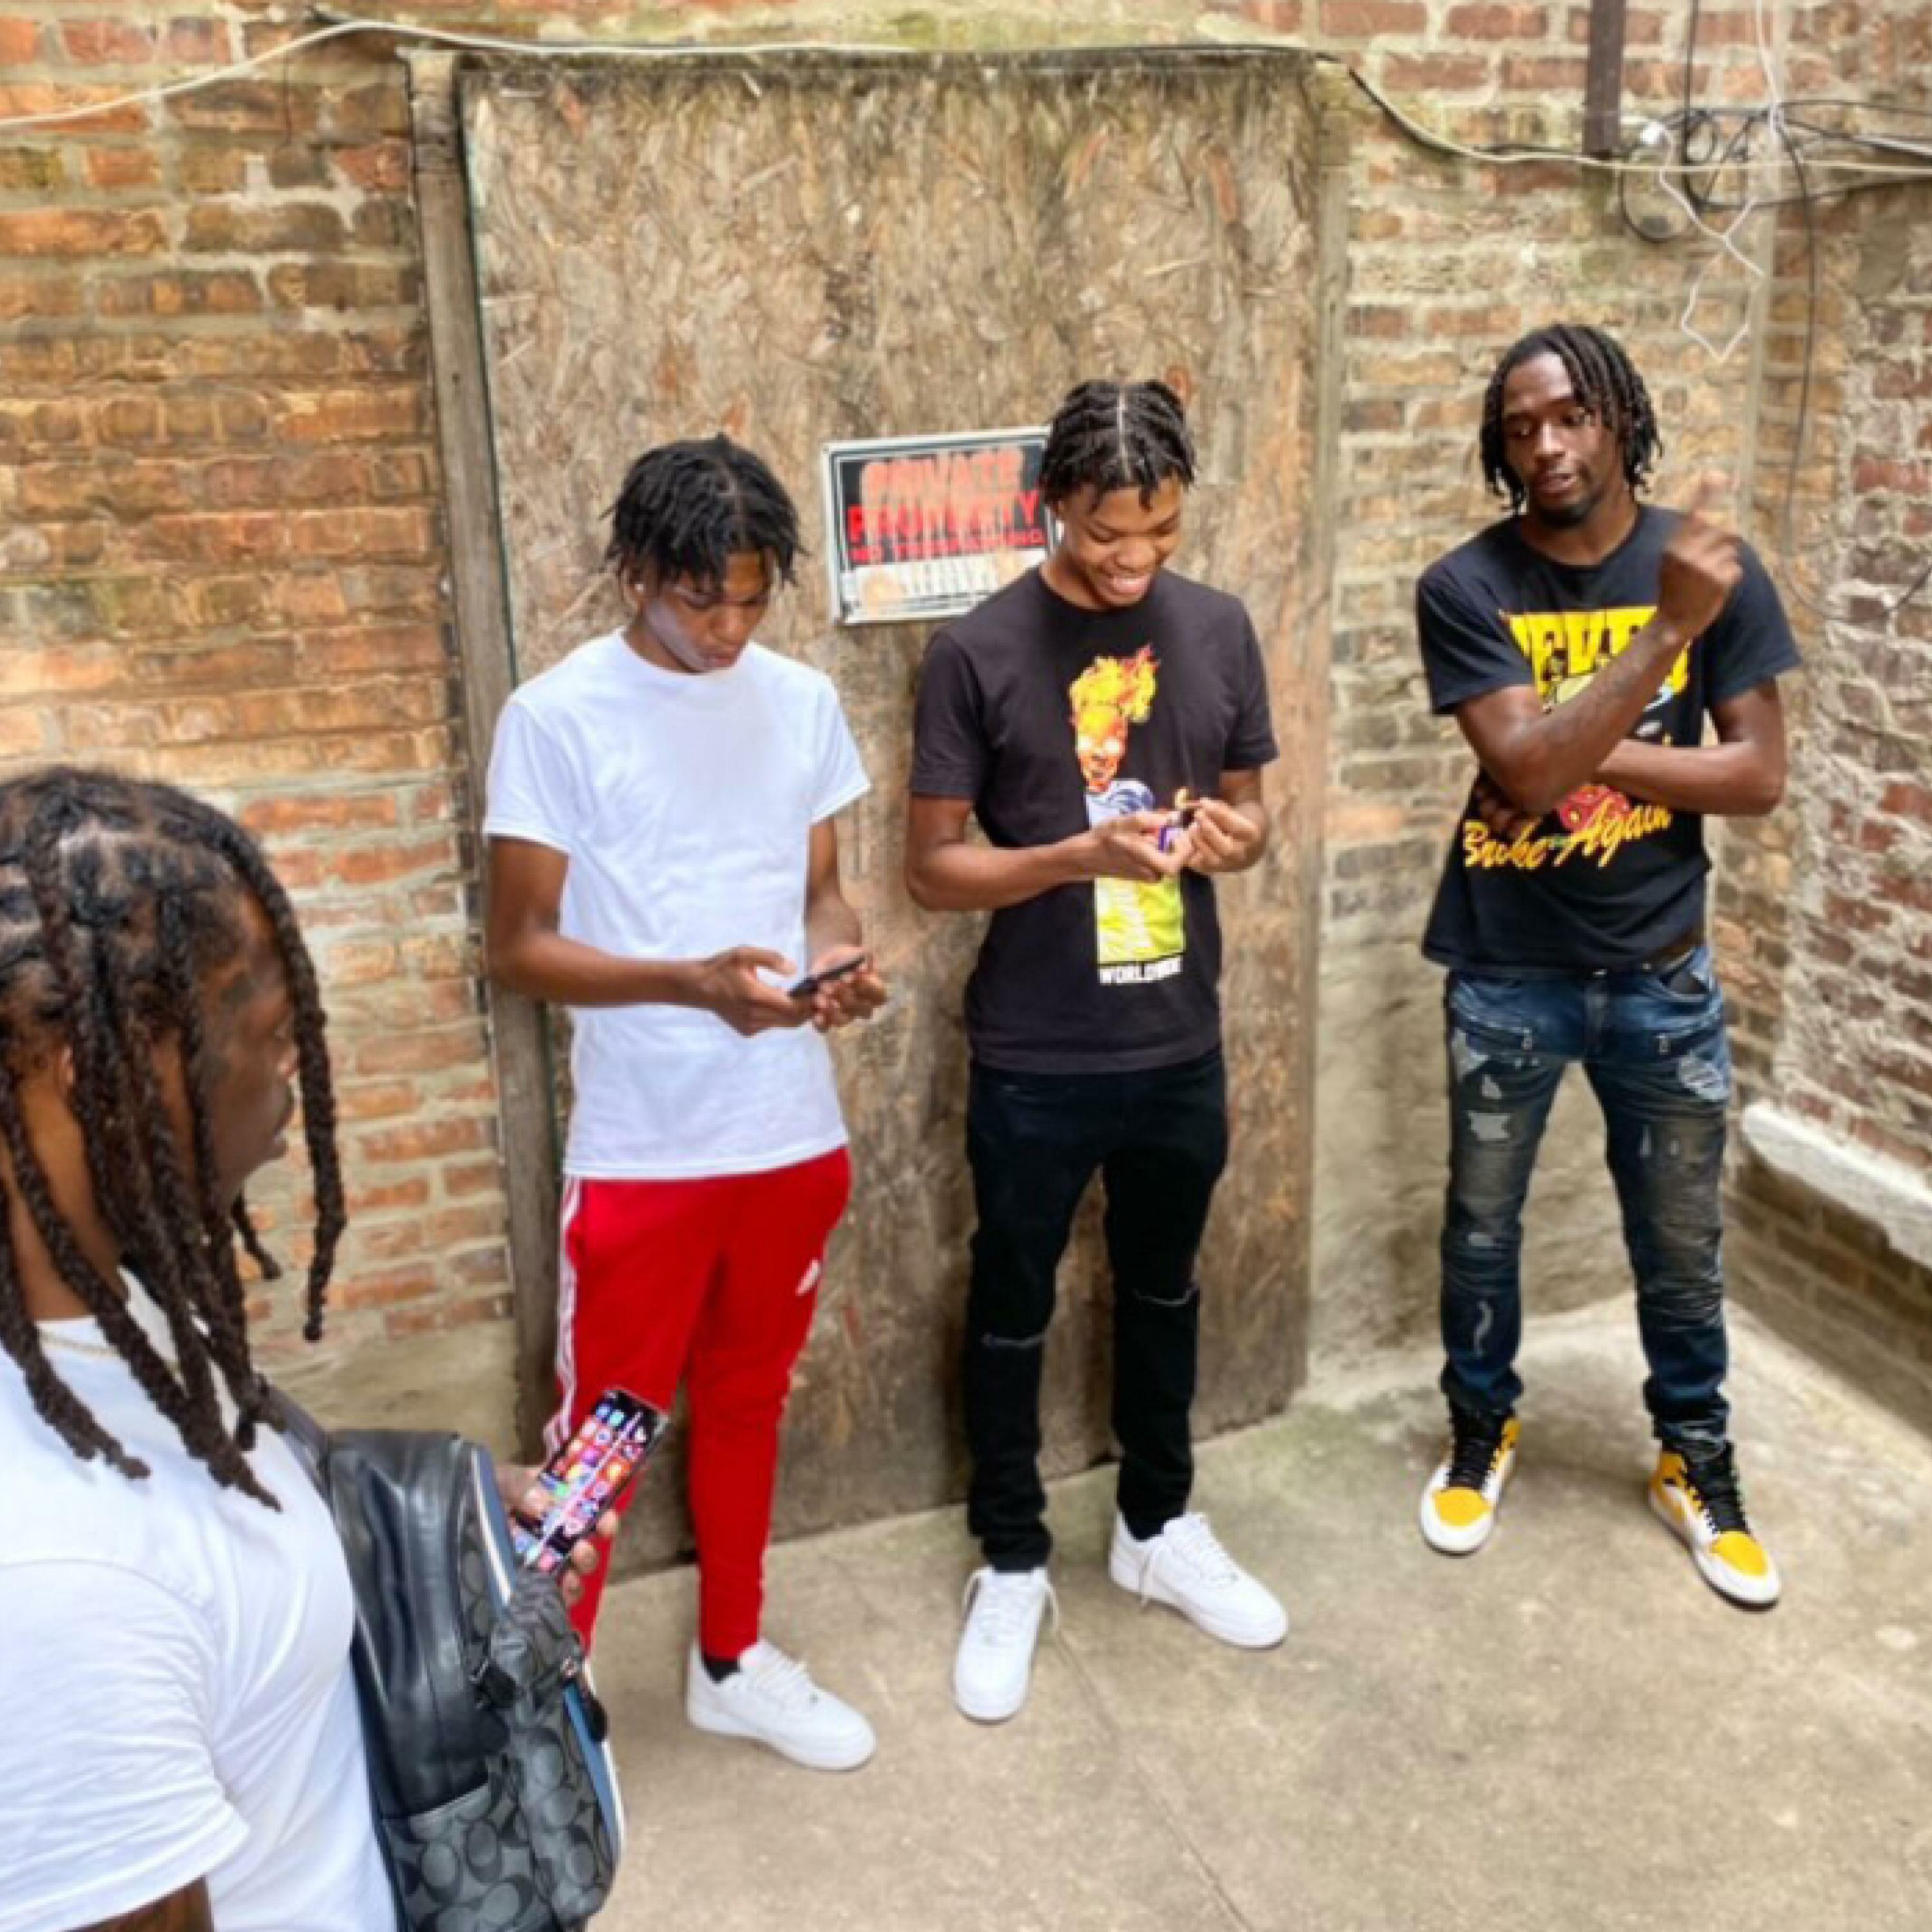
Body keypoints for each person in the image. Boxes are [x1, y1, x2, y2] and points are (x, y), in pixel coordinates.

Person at [0, 766, 611, 1932]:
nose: (298, 1069)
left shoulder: (100, 1300)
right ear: (105, 1082)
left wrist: (429, 1518)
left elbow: (208, 1530)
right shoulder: (55, 1587)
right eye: (271, 1034)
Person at [486, 435, 886, 1771]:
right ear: (635, 574)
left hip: (791, 1137)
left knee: (750, 1402)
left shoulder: (801, 702)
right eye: (699, 598)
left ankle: (733, 1657)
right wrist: (687, 983)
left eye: (750, 600)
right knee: (605, 1431)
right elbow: (518, 948)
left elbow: (820, 891)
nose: (726, 628)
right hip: (646, 1151)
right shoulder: (555, 717)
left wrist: (837, 961)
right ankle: (550, 1705)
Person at [907, 378, 1289, 1726]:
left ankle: (1155, 1525)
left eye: (1161, 532)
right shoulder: (977, 651)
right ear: (1052, 503)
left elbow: (1249, 810)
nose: (1134, 559)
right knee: (1013, 1303)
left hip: (1176, 1037)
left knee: (1165, 1289)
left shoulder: (1218, 629)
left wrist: (1238, 839)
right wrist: (1075, 855)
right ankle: (1013, 1555)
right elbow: (933, 871)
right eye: (1106, 533)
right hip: (1035, 1050)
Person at [1412, 322, 1801, 1608]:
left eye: (1572, 415)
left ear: (1621, 417)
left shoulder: (1710, 567)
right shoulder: (1467, 586)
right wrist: (1661, 642)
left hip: (1662, 974)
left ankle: (1697, 1461)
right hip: (1506, 970)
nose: (1549, 446)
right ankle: (1482, 1428)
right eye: (1521, 427)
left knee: (1680, 1243)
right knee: (1482, 1229)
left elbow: (1757, 775)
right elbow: (1522, 773)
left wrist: (1569, 752)